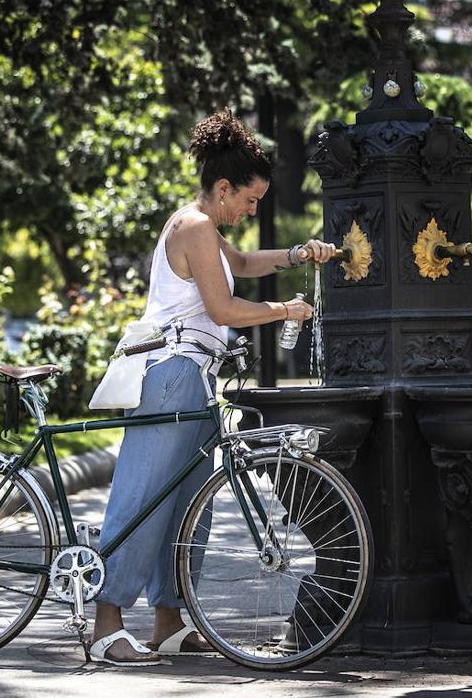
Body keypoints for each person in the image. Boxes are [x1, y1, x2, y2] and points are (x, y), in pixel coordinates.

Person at [89, 110, 335, 666]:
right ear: (223, 187)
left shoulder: (209, 230)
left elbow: (244, 264)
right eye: (249, 199)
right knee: (145, 499)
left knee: (187, 507)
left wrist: (299, 253)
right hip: (171, 376)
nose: (252, 209)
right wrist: (283, 310)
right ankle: (106, 624)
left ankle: (170, 622)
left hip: (196, 378)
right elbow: (223, 308)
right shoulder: (194, 227)